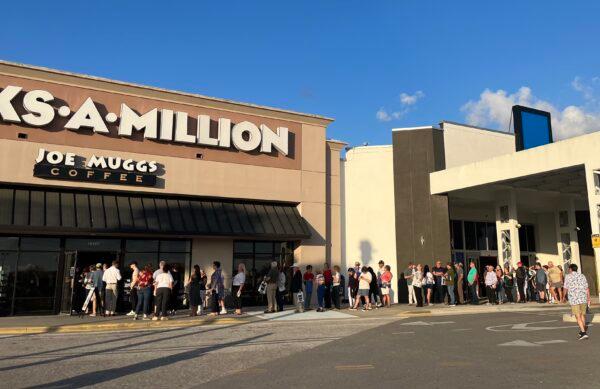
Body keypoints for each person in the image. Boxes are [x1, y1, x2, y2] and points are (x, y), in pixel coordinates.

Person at [563, 263, 590, 340]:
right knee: (582, 315)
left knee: (577, 316)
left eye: (569, 269)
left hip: (574, 299)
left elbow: (565, 288)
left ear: (570, 269)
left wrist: (563, 296)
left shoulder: (568, 276)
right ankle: (582, 331)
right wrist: (588, 298)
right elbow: (586, 288)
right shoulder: (582, 276)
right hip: (583, 298)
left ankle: (584, 333)